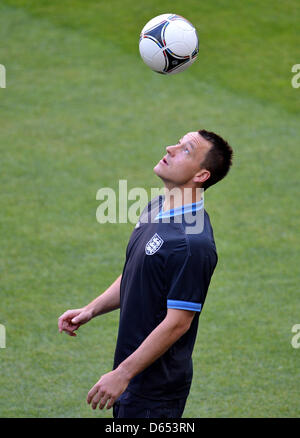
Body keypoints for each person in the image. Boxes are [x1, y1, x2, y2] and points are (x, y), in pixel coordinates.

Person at [58, 129, 233, 418]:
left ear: (201, 175)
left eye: (185, 150)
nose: (170, 148)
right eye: (177, 142)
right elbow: (137, 274)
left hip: (155, 392)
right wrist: (91, 309)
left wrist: (122, 374)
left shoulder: (192, 244)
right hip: (133, 377)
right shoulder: (158, 206)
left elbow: (178, 323)